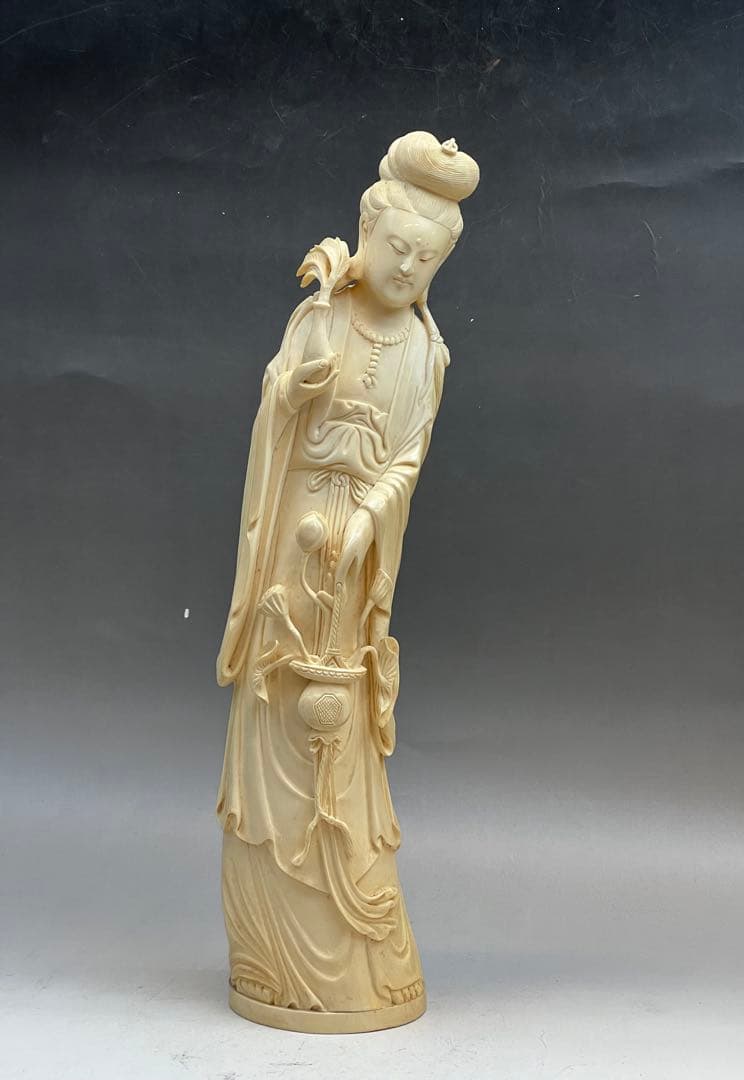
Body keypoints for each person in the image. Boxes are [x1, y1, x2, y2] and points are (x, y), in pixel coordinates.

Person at [215, 131, 479, 1031]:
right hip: (292, 545)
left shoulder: (425, 354)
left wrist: (368, 520)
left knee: (341, 733)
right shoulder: (319, 316)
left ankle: (356, 959)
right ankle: (270, 956)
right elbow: (273, 418)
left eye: (425, 258)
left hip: (355, 555)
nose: (406, 268)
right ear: (367, 233)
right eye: (397, 246)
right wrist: (294, 394)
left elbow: (405, 460)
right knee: (279, 718)